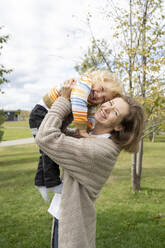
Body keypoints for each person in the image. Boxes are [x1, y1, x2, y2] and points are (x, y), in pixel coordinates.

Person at [35, 80, 144, 248]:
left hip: (72, 226)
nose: (106, 108)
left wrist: (63, 100)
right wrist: (77, 102)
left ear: (119, 126)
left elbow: (47, 137)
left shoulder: (99, 150)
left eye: (114, 112)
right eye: (110, 102)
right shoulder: (92, 137)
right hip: (63, 214)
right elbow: (61, 133)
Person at [29, 70, 122, 202]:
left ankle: (40, 182)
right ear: (96, 80)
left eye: (104, 98)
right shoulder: (84, 85)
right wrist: (82, 130)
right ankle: (52, 183)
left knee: (45, 151)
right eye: (101, 89)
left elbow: (88, 115)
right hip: (42, 113)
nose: (99, 96)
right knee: (50, 148)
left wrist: (89, 130)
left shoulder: (89, 102)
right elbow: (78, 104)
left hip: (47, 115)